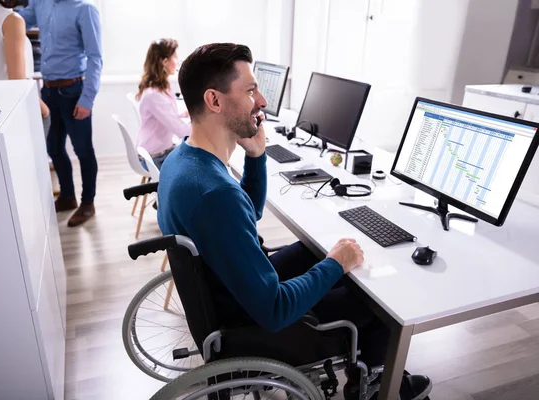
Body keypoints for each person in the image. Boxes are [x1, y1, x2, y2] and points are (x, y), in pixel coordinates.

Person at [157, 43, 432, 400]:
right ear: (215, 100)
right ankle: (378, 384)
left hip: (229, 293)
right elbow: (274, 310)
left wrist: (255, 157)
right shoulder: (213, 192)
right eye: (250, 90)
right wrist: (337, 263)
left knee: (311, 250)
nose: (262, 102)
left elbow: (244, 215)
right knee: (376, 298)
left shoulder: (186, 159)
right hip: (253, 322)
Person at [19, 0, 103, 227]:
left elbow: (95, 57)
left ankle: (88, 203)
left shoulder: (85, 9)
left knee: (83, 150)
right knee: (53, 148)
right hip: (48, 91)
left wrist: (87, 99)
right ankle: (67, 196)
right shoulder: (41, 3)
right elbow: (20, 20)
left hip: (74, 91)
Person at [135, 38, 190, 170]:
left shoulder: (159, 87)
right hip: (155, 158)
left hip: (158, 150)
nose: (177, 62)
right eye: (175, 58)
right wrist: (202, 120)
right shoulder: (154, 95)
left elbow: (165, 114)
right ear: (165, 62)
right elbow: (182, 132)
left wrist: (184, 115)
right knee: (199, 164)